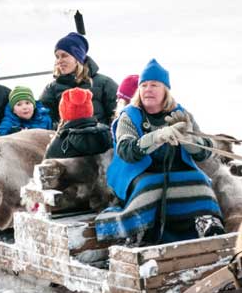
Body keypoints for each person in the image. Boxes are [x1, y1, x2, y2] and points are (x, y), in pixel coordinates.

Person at [95, 59, 224, 245]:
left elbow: (204, 152)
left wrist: (188, 139)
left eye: (154, 85)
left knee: (200, 179)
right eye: (144, 85)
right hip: (136, 173)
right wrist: (157, 137)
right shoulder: (129, 116)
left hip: (174, 170)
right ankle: (137, 231)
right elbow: (126, 151)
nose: (148, 89)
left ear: (166, 90)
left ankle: (207, 223)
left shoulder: (181, 113)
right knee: (148, 186)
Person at [38, 32, 118, 127]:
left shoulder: (104, 83)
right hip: (67, 139)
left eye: (64, 55)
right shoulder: (51, 88)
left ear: (77, 58)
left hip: (100, 137)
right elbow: (44, 119)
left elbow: (117, 115)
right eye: (57, 57)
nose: (59, 61)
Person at [44, 87, 113, 159]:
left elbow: (47, 168)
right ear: (90, 109)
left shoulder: (58, 145)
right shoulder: (108, 134)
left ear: (64, 112)